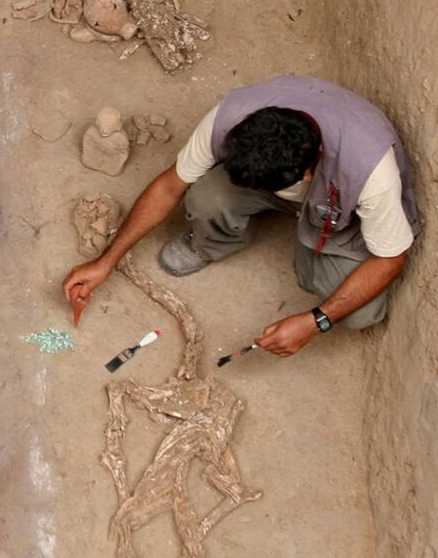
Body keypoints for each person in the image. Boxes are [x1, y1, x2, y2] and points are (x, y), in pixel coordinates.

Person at [62, 76, 419, 357]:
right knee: (206, 196)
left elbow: (391, 258)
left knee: (360, 313)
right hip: (298, 181)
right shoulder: (233, 118)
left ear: (306, 176)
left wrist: (316, 321)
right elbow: (170, 187)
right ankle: (216, 240)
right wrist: (107, 260)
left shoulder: (370, 173)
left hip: (339, 208)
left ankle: (309, 239)